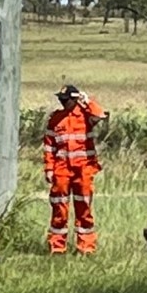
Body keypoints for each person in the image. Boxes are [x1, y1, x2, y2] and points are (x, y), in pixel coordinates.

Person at [42, 83, 111, 256]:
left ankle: (86, 247)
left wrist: (86, 101)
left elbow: (100, 115)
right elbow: (49, 146)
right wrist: (49, 169)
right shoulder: (55, 118)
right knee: (59, 209)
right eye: (61, 99)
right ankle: (57, 247)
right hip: (61, 169)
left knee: (84, 208)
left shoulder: (86, 114)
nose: (62, 102)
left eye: (66, 99)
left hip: (83, 168)